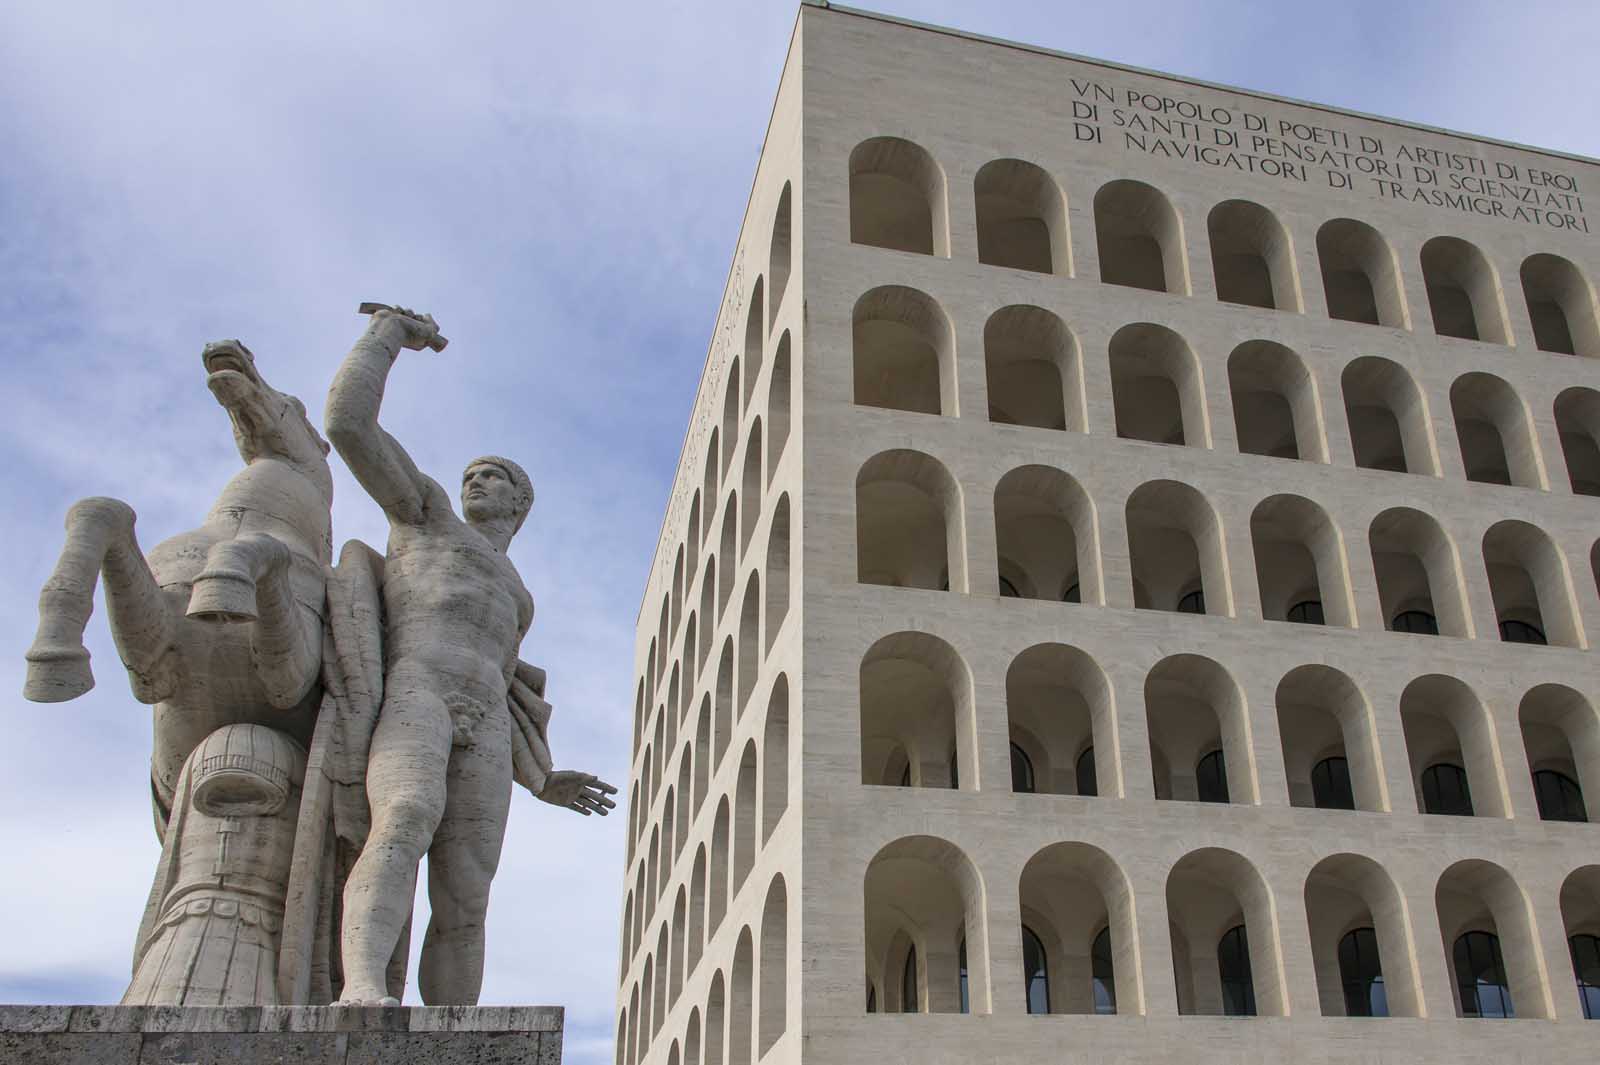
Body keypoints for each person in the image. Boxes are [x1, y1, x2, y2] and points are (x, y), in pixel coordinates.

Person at [324, 306, 614, 1005]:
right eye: (472, 474)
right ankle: (363, 988)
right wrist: (389, 335)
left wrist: (540, 778)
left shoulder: (519, 594)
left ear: (521, 501)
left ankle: (454, 1025)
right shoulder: (425, 517)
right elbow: (347, 425)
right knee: (405, 816)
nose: (475, 481)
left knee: (469, 888)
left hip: (484, 721)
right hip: (417, 690)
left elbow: (508, 687)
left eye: (494, 476)